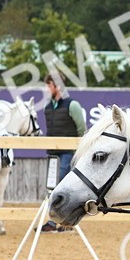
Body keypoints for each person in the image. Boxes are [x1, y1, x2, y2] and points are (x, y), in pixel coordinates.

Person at [41, 74, 87, 232]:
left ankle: (59, 222)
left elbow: (82, 129)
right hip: (53, 153)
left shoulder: (72, 105)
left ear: (58, 86)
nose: (47, 89)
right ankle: (56, 221)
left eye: (49, 86)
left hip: (68, 152)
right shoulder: (48, 107)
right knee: (52, 186)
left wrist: (78, 151)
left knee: (62, 185)